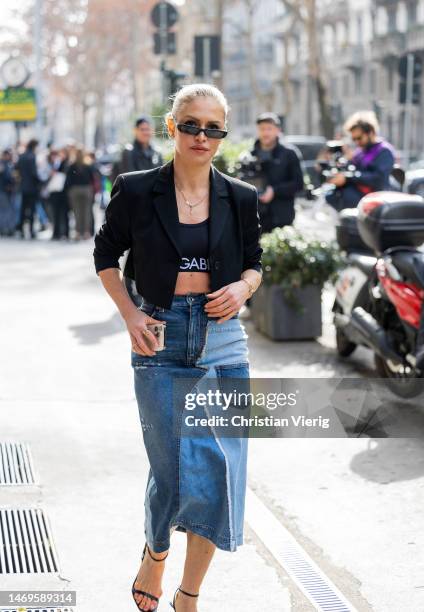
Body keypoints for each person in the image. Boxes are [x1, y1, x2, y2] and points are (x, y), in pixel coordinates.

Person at [93, 83, 263, 612]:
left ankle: (189, 595)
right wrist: (130, 314)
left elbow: (255, 262)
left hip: (223, 341)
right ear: (172, 127)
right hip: (159, 334)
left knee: (216, 467)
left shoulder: (239, 196)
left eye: (213, 128)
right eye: (191, 124)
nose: (202, 136)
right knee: (172, 468)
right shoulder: (138, 188)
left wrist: (244, 287)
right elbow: (105, 256)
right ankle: (156, 550)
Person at [325, 111, 396, 210]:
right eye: (354, 139)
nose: (357, 142)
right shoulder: (360, 152)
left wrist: (348, 178)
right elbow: (352, 169)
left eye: (359, 138)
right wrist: (342, 164)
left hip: (373, 204)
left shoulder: (384, 151)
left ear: (370, 132)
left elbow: (378, 179)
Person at [251, 112, 304, 233]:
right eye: (262, 129)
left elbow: (299, 184)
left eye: (269, 128)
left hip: (282, 216)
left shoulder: (289, 153)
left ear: (278, 130)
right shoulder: (249, 155)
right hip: (255, 217)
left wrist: (274, 191)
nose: (265, 132)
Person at [111, 115, 164, 182]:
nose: (145, 132)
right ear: (135, 131)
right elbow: (128, 179)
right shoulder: (128, 152)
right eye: (142, 129)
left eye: (147, 129)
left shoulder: (157, 153)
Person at [65, 147, 95, 240]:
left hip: (75, 190)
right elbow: (92, 179)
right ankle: (86, 232)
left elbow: (68, 180)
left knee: (77, 212)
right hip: (86, 189)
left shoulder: (72, 166)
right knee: (87, 211)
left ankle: (78, 232)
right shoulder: (88, 165)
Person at [15, 139, 41, 239]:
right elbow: (34, 173)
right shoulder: (32, 157)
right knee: (32, 210)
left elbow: (16, 169)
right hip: (32, 188)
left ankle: (21, 230)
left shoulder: (22, 156)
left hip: (23, 187)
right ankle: (31, 231)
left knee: (23, 209)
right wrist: (40, 182)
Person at [0, 149, 17, 236]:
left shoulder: (8, 164)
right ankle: (4, 229)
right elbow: (8, 176)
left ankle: (7, 228)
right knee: (5, 210)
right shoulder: (3, 164)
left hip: (8, 191)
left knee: (8, 210)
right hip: (3, 190)